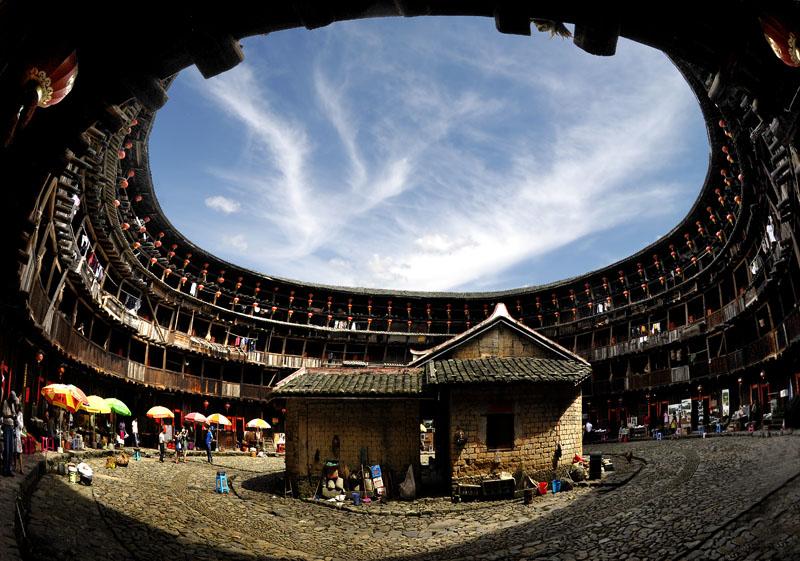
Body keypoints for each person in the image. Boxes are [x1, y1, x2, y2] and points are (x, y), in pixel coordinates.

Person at [1, 391, 18, 476]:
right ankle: (5, 469)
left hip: (11, 427)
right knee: (6, 449)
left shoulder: (12, 404)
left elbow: (14, 413)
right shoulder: (5, 402)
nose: (13, 401)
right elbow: (3, 415)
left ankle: (9, 469)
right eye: (12, 399)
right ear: (10, 397)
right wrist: (10, 416)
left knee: (11, 449)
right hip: (7, 427)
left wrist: (15, 418)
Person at [14, 397, 24, 474]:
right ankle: (15, 466)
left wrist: (17, 420)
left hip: (18, 435)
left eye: (17, 406)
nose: (16, 407)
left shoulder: (20, 414)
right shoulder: (13, 412)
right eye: (16, 405)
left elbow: (22, 426)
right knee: (14, 452)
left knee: (19, 452)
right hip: (14, 434)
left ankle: (21, 468)